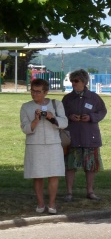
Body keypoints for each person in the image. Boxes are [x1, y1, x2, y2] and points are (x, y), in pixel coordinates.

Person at [20, 78, 69, 214]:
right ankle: (40, 203)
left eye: (38, 92)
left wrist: (51, 118)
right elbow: (24, 128)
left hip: (53, 144)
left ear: (46, 92)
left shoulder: (56, 104)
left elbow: (64, 122)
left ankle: (52, 204)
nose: (34, 94)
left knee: (54, 174)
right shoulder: (26, 107)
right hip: (35, 145)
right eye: (32, 91)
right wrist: (35, 120)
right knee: (38, 175)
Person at [62, 69, 107, 202]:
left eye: (76, 81)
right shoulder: (67, 98)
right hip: (73, 137)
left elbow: (103, 111)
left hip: (90, 137)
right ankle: (69, 192)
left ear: (84, 82)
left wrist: (91, 117)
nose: (73, 83)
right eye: (72, 81)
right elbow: (61, 114)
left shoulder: (94, 98)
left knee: (91, 166)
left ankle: (90, 191)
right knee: (70, 166)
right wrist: (70, 116)